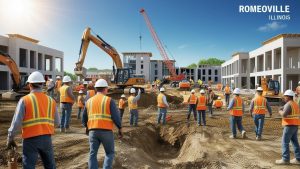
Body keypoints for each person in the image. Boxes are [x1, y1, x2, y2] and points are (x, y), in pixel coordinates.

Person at [6, 71, 60, 168]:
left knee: (29, 166)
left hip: (30, 140)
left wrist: (10, 138)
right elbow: (57, 122)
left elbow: (16, 123)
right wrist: (45, 129)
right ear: (42, 84)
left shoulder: (25, 100)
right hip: (46, 139)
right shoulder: (51, 100)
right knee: (50, 165)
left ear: (30, 84)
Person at [82, 79, 123, 169]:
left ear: (96, 89)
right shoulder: (109, 100)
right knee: (109, 153)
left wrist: (86, 127)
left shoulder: (89, 101)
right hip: (106, 131)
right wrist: (120, 128)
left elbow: (84, 117)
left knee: (92, 154)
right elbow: (116, 117)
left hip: (92, 131)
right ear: (105, 89)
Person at [275, 89, 300, 165]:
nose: (284, 98)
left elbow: (284, 114)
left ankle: (285, 159)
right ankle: (298, 158)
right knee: (295, 142)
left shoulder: (288, 104)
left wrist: (279, 111)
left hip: (289, 126)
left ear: (288, 97)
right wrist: (283, 107)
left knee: (284, 142)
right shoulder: (295, 104)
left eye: (285, 96)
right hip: (295, 125)